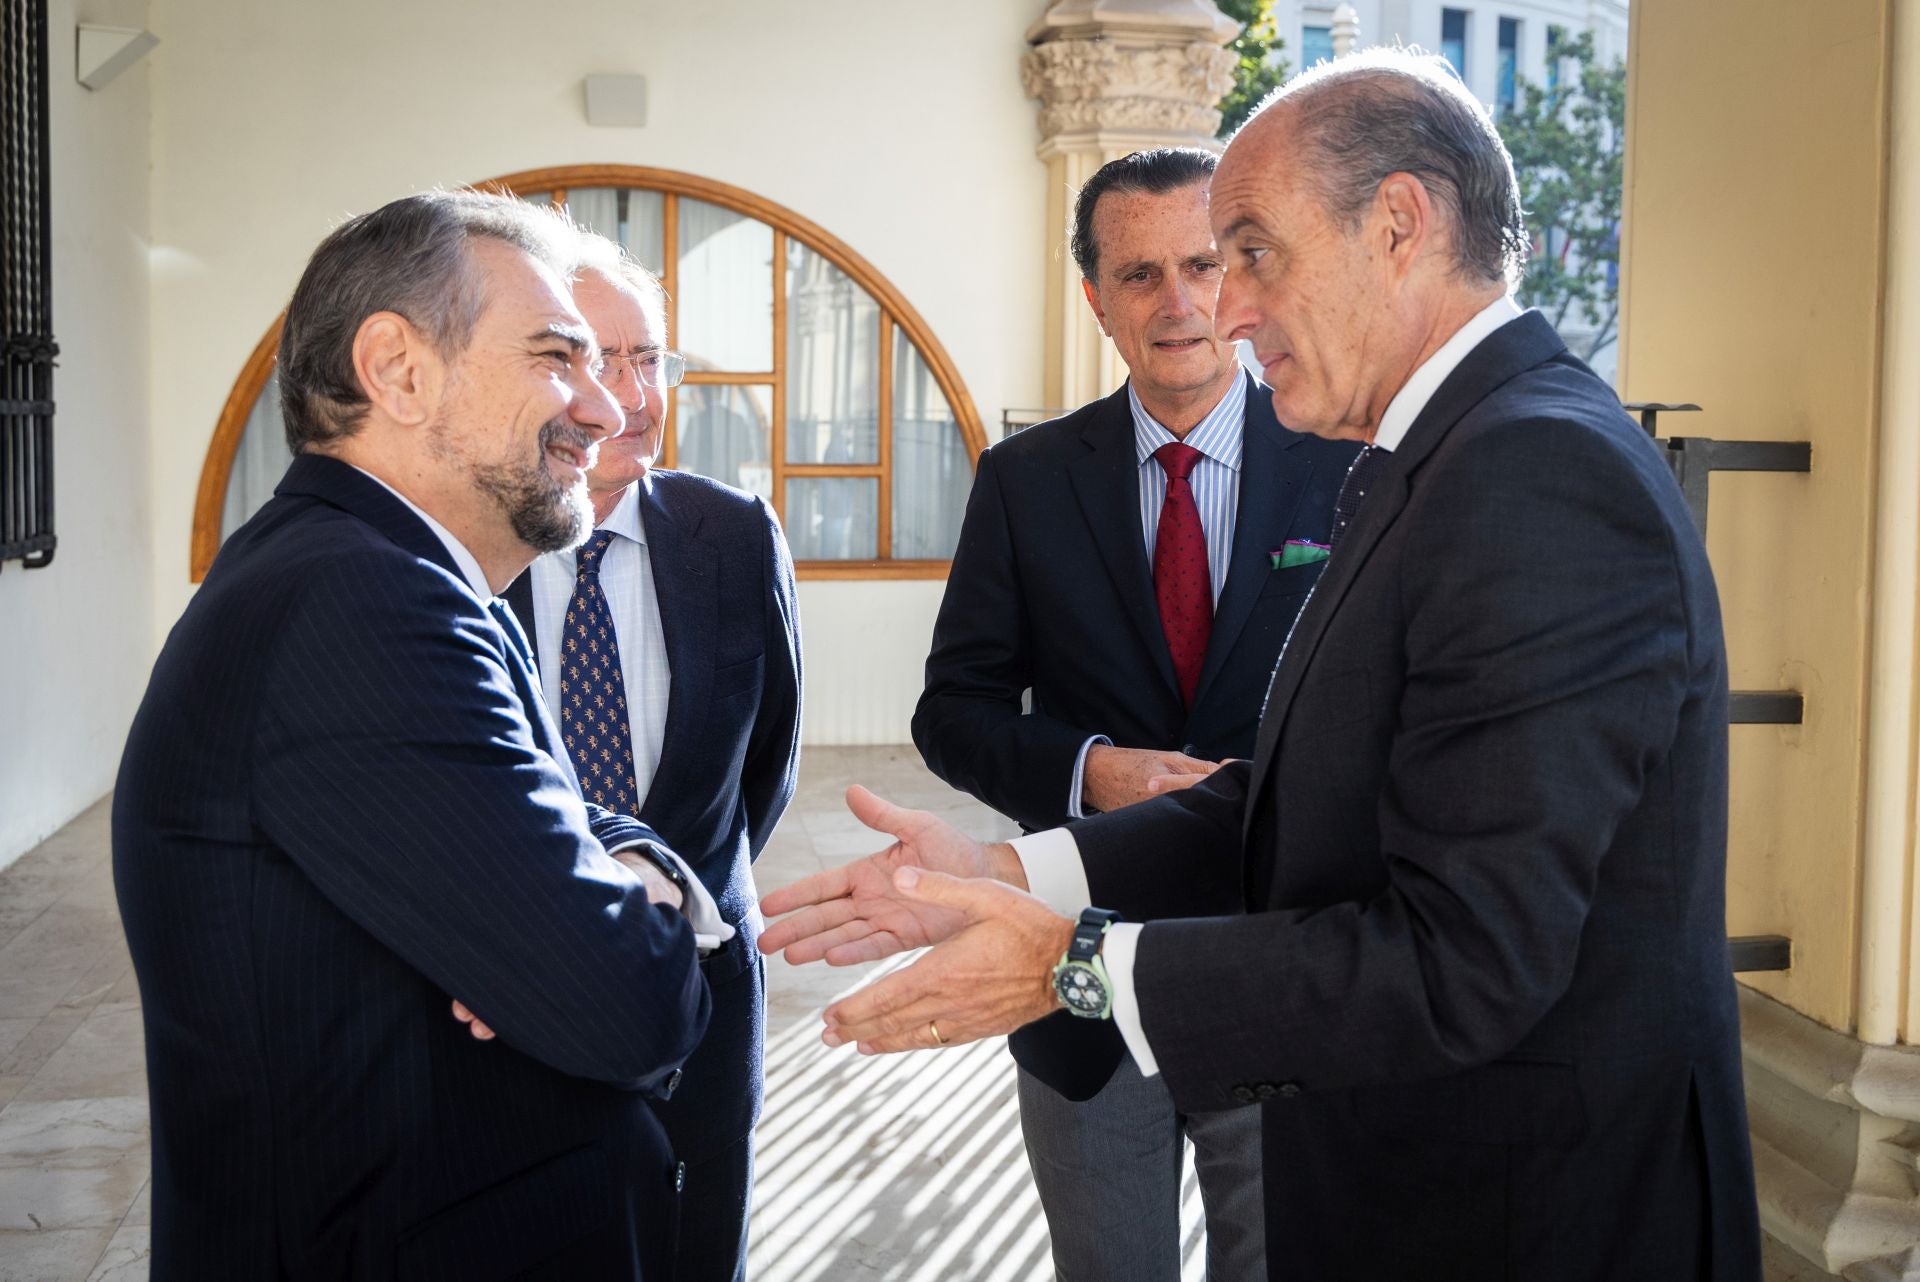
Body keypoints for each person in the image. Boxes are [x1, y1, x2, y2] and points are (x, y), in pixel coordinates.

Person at [762, 49, 1763, 1282]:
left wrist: (1075, 963)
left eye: (1248, 253)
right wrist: (1008, 863)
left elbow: (1468, 958)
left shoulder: (1532, 476)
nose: (1221, 310)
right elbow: (1291, 791)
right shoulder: (1435, 455)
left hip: (1519, 1209)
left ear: (1399, 223)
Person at [114, 190, 711, 1280]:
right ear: (396, 369)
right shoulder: (363, 605)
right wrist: (636, 908)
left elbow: (575, 838)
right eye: (555, 356)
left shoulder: (398, 577)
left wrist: (617, 864)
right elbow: (624, 1003)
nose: (602, 404)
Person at [909, 147, 1355, 1280]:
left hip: (1279, 962)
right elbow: (953, 708)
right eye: (1141, 273)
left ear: (1245, 274)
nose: (1179, 302)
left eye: (1205, 263)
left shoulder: (1350, 470)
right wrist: (1090, 770)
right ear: (1097, 297)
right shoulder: (1026, 479)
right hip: (1081, 971)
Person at [503, 230, 802, 1282]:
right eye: (587, 360)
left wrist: (686, 886)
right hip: (506, 1010)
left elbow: (762, 768)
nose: (627, 395)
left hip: (704, 1004)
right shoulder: (458, 560)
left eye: (647, 359)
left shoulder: (733, 534)